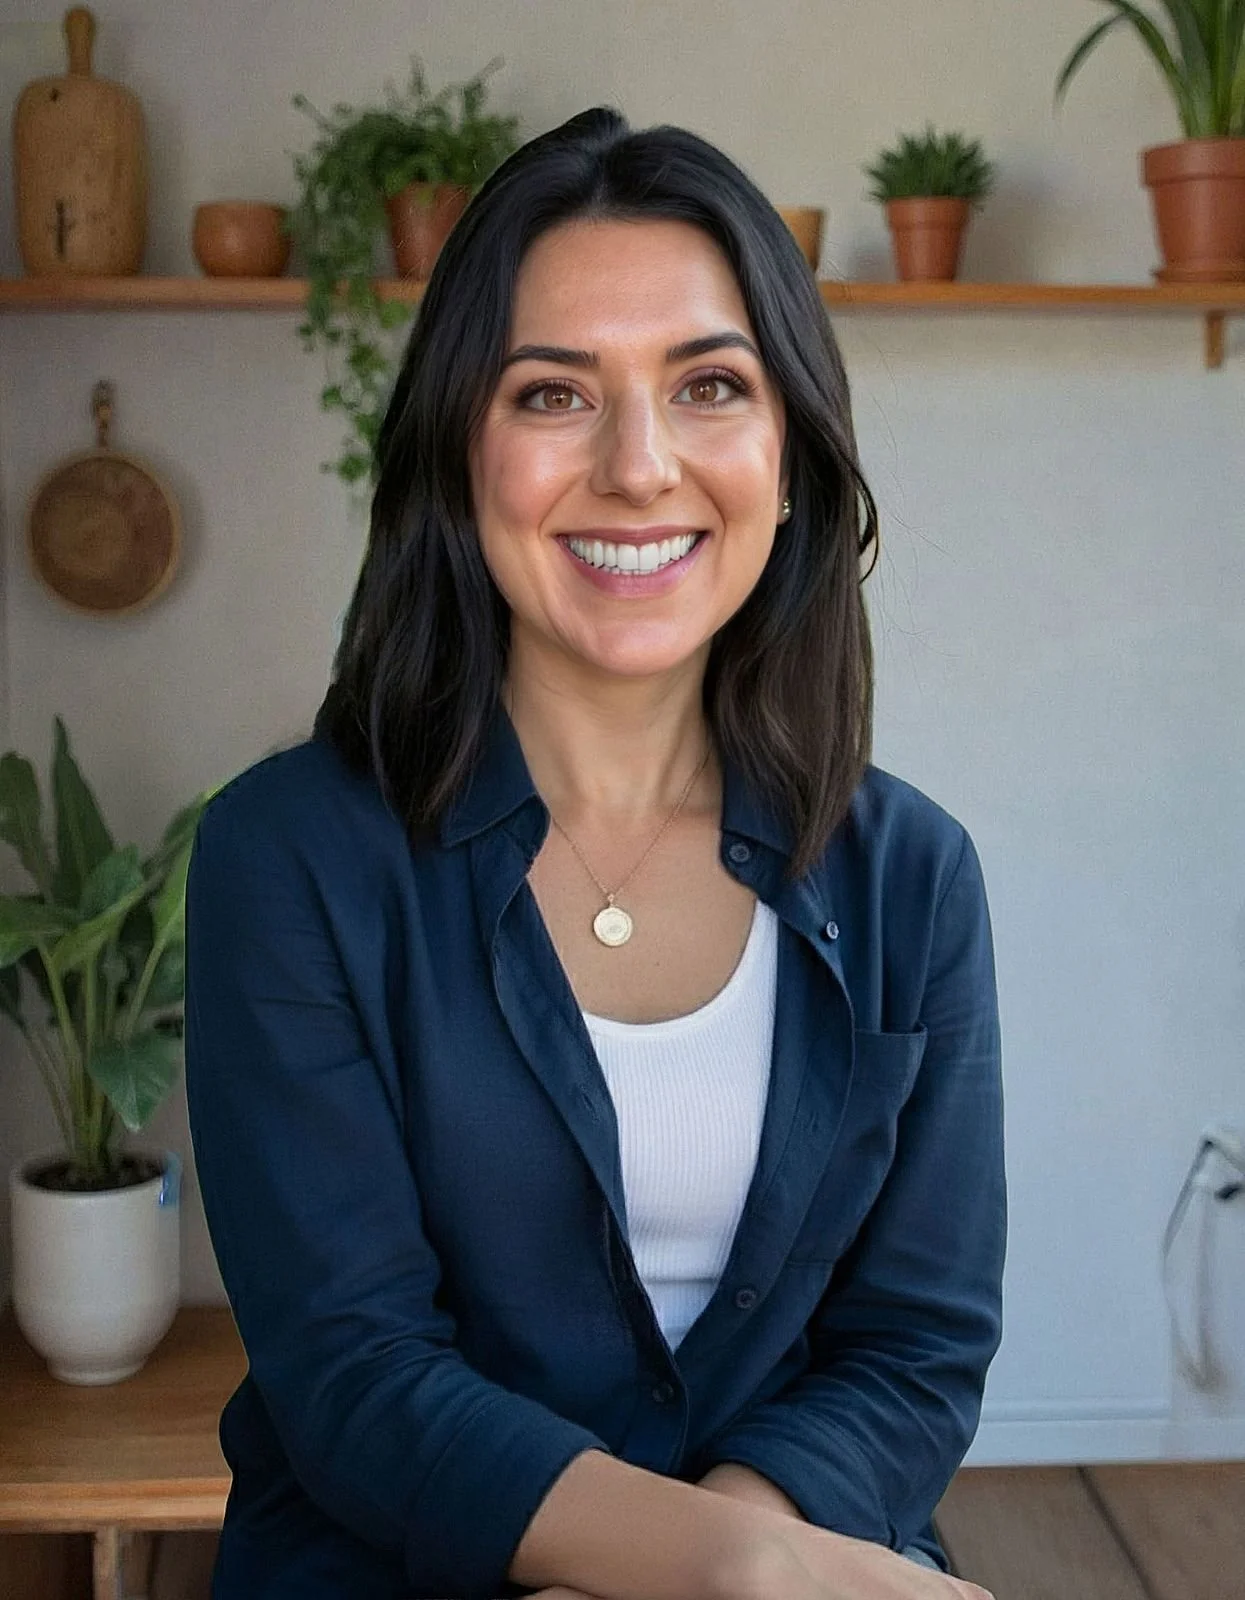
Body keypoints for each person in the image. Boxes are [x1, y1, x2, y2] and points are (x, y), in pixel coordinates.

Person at [185, 106, 1005, 1600]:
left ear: (790, 449)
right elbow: (356, 1373)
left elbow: (914, 1347)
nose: (640, 467)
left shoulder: (914, 876)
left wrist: (714, 1565)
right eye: (555, 394)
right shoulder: (285, 858)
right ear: (458, 449)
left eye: (708, 384)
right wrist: (736, 1574)